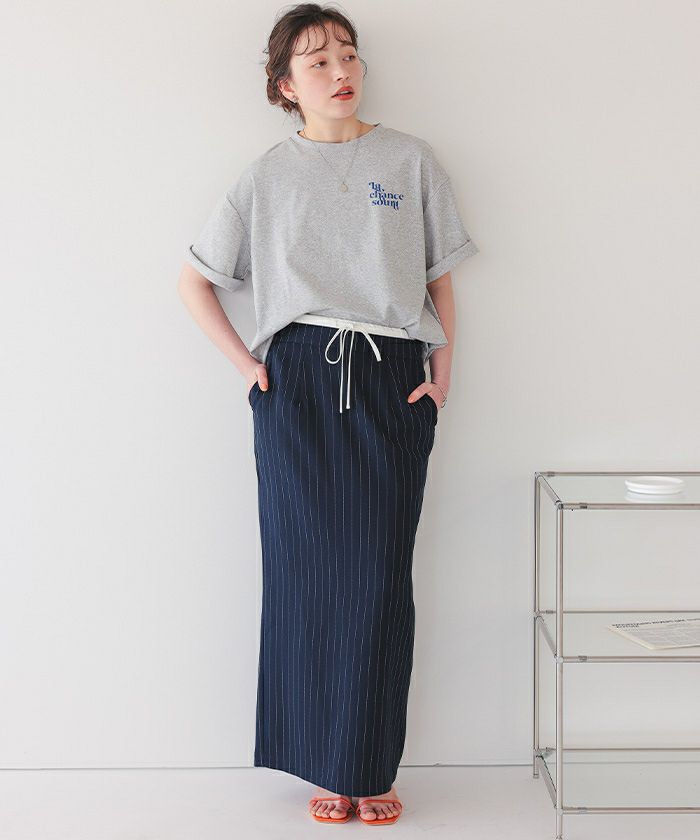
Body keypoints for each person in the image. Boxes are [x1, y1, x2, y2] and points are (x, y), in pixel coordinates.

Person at [177, 3, 479, 826]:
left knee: (378, 582)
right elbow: (195, 281)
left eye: (349, 54)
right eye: (317, 61)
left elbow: (439, 275)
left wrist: (443, 370)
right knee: (304, 576)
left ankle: (366, 765)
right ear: (285, 85)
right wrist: (250, 370)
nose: (341, 71)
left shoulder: (410, 159)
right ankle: (323, 764)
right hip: (299, 382)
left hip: (390, 376)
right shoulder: (265, 177)